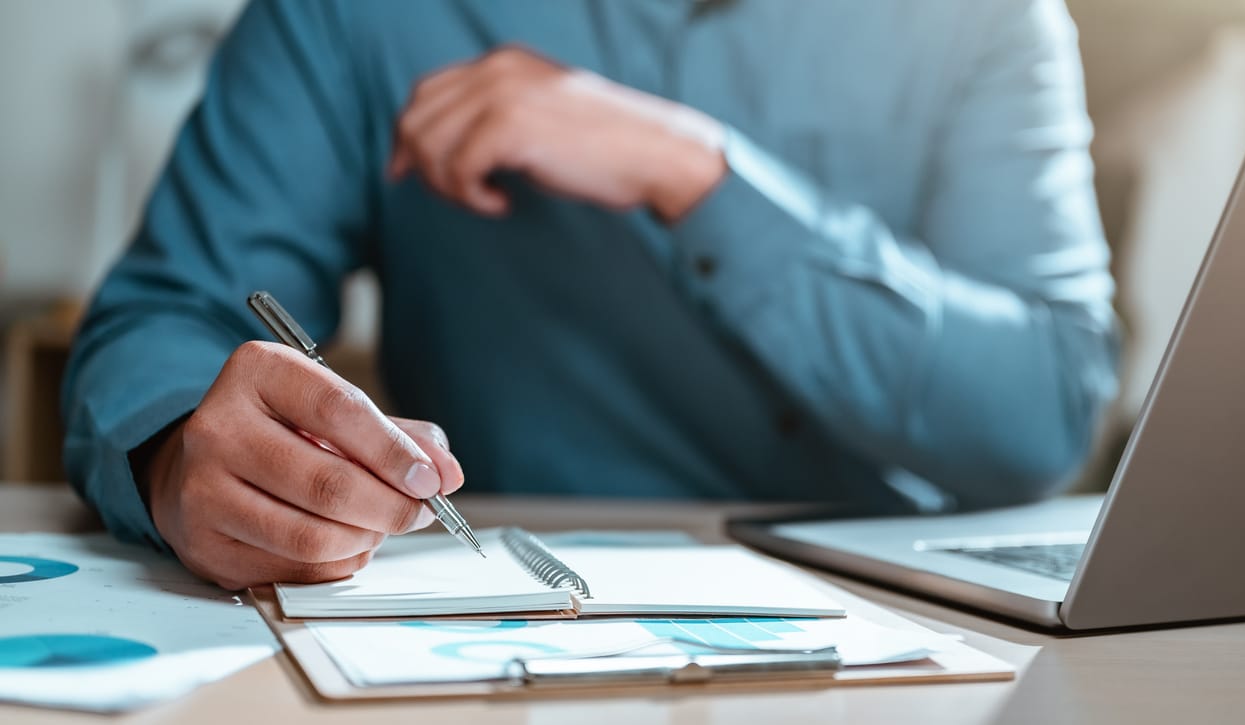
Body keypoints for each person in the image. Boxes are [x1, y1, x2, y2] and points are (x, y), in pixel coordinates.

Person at [62, 0, 1119, 590]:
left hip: (901, 630)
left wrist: (697, 171)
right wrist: (182, 452)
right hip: (498, 616)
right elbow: (170, 315)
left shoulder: (983, 18)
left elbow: (1043, 406)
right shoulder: (354, 15)